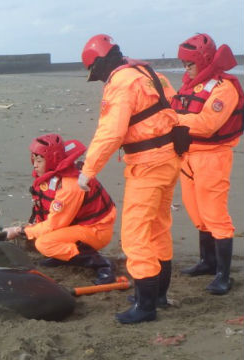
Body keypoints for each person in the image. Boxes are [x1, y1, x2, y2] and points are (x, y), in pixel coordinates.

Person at [79, 34, 183, 324]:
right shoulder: (151, 73)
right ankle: (157, 295)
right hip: (169, 159)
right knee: (159, 227)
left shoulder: (120, 84)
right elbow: (174, 108)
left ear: (99, 65)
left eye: (96, 74)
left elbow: (111, 132)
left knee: (136, 235)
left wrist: (88, 171)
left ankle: (146, 307)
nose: (99, 79)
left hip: (148, 165)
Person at [171, 34, 243, 295]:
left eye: (189, 62)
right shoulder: (191, 85)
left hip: (212, 157)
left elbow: (207, 124)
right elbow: (187, 116)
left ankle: (223, 275)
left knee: (215, 215)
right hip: (187, 156)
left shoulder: (224, 88)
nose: (185, 68)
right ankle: (207, 261)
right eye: (183, 63)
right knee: (197, 213)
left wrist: (171, 120)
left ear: (203, 60)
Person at [4, 133, 117, 285]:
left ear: (53, 160)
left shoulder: (70, 186)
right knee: (42, 236)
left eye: (39, 160)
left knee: (44, 243)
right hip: (78, 224)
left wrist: (20, 231)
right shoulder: (55, 176)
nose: (34, 165)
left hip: (96, 229)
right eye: (34, 160)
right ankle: (63, 255)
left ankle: (102, 264)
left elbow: (53, 224)